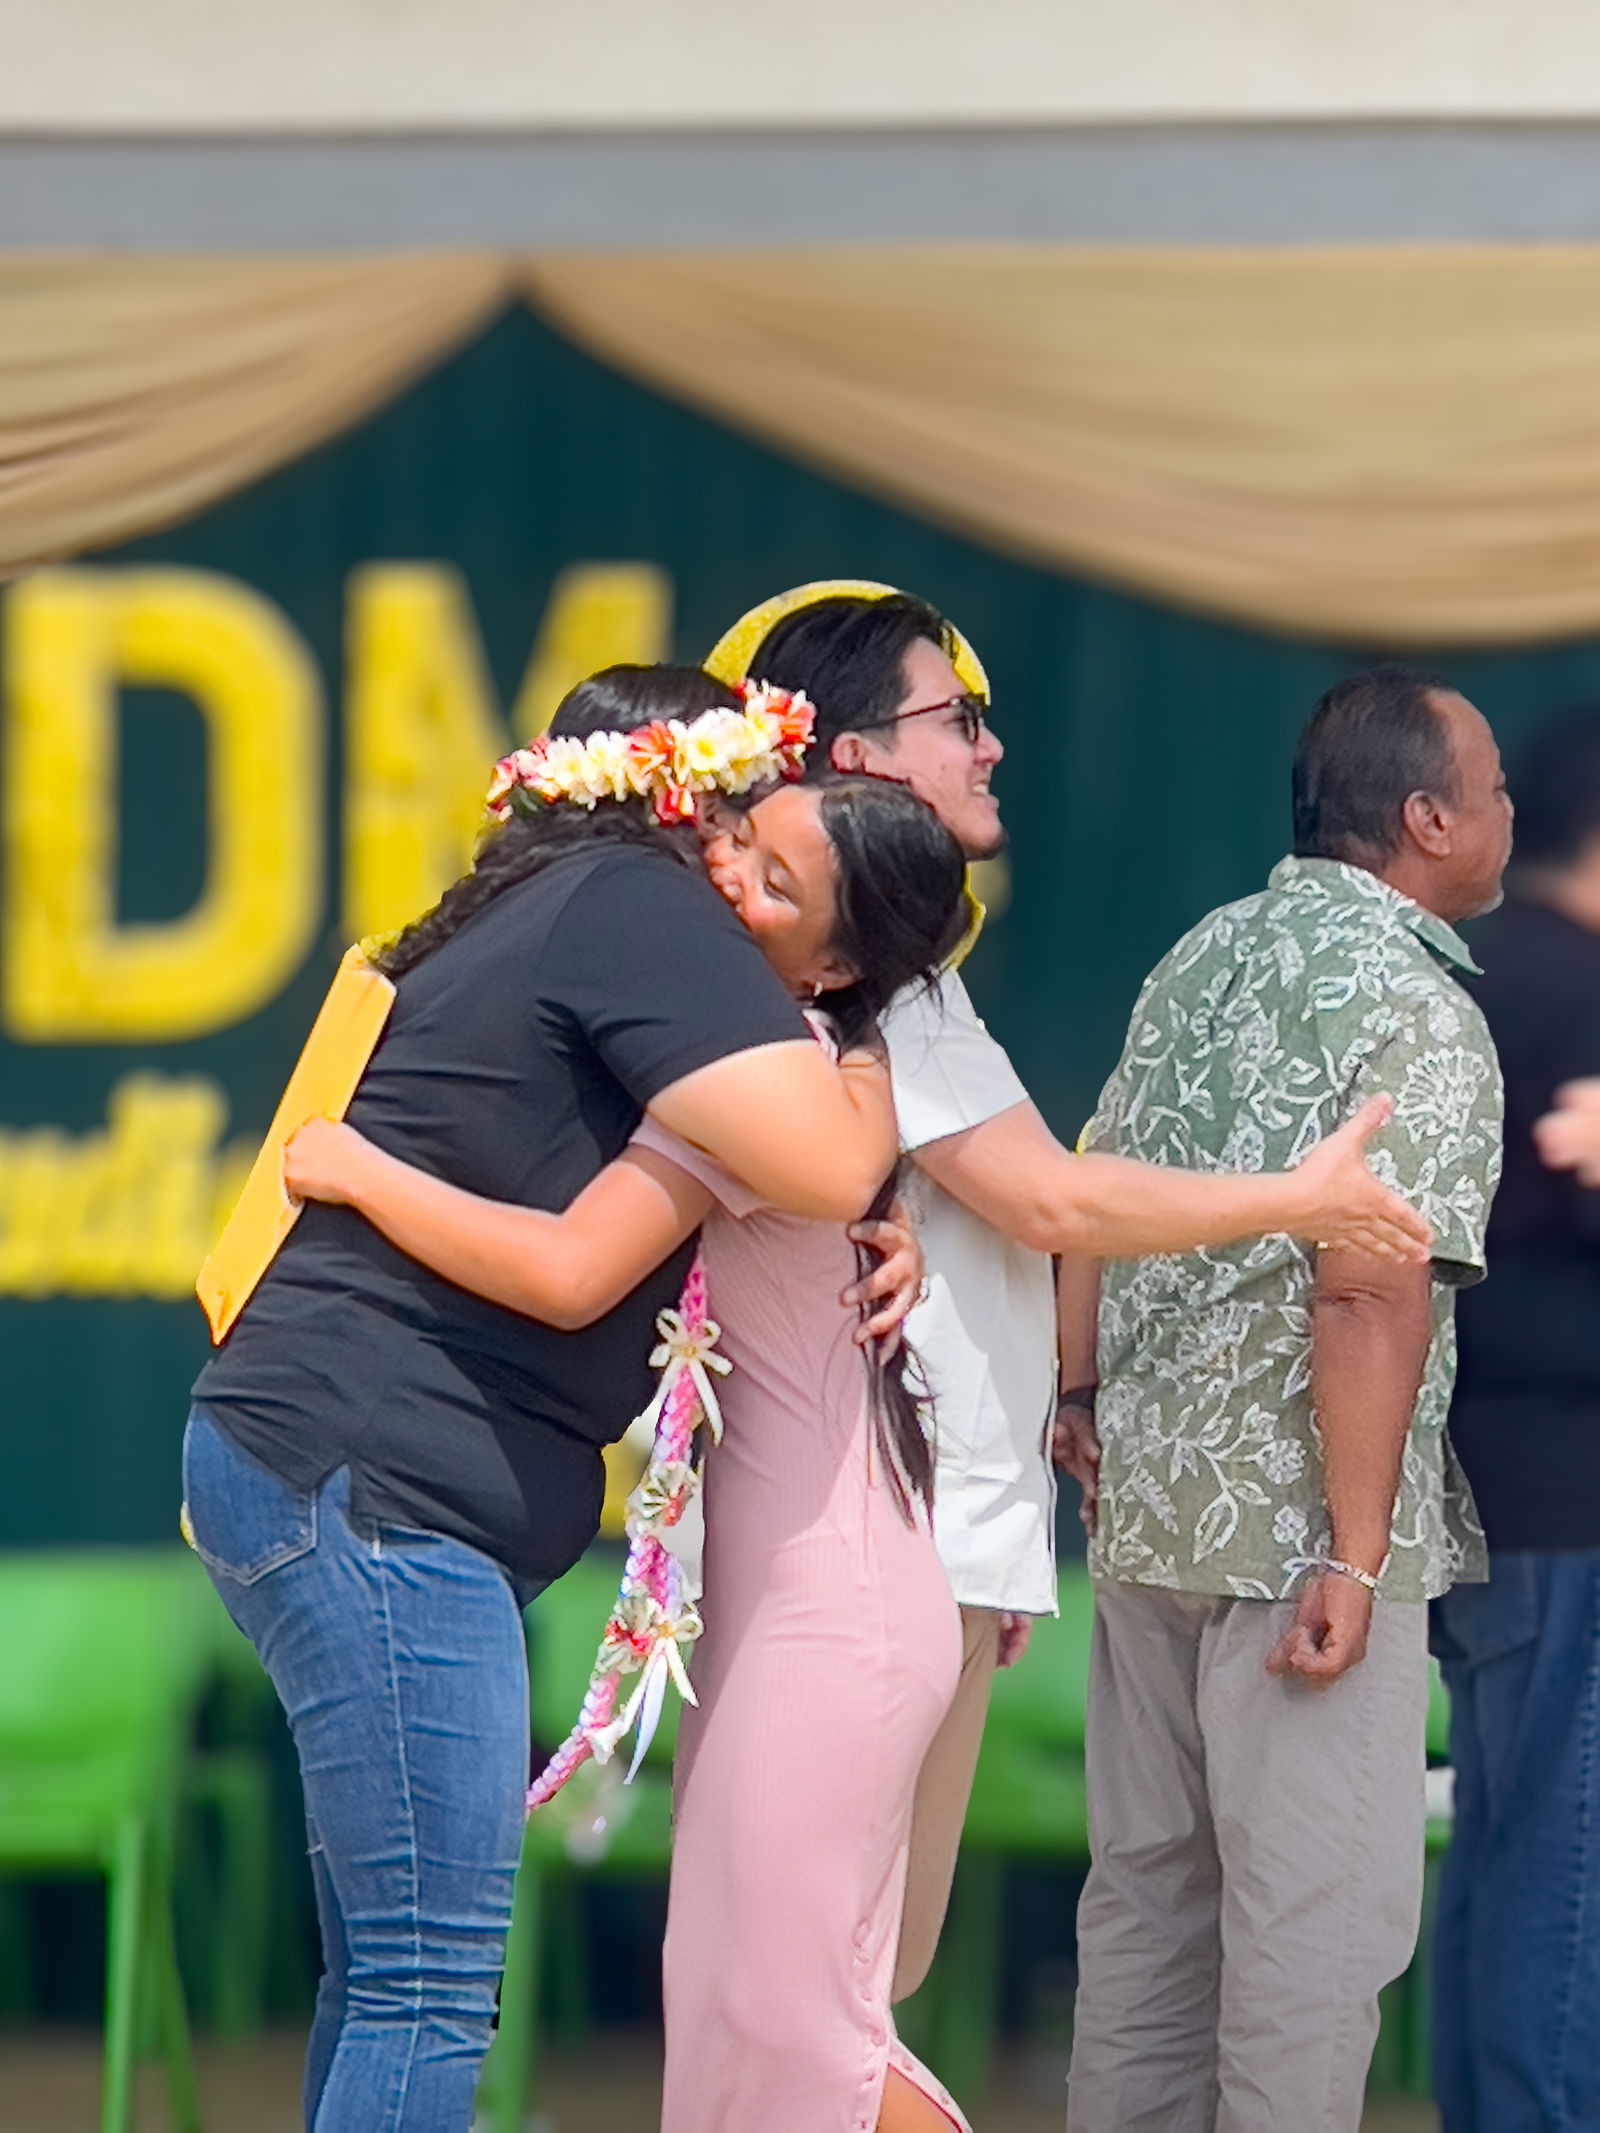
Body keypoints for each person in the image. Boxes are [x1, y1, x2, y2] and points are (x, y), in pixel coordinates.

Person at [283, 692, 1423, 2133]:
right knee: (741, 2017)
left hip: (834, 1597)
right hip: (781, 1587)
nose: (720, 875)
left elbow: (578, 1267)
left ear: (835, 959)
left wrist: (364, 1171)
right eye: (737, 841)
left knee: (793, 2028)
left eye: (769, 877)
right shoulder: (780, 1067)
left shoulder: (780, 1088)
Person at [181, 665, 921, 2133]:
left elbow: (731, 1199)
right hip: (382, 1491)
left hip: (330, 1471)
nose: (734, 863)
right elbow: (816, 1167)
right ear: (685, 789)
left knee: (383, 1978)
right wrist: (881, 1053)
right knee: (428, 1989)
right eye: (736, 826)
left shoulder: (559, 901)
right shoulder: (633, 903)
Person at [704, 583, 1437, 2001]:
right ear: (850, 758)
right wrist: (1306, 1198)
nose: (989, 749)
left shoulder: (877, 975)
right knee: (843, 1999)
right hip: (883, 1538)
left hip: (922, 1534)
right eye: (954, 720)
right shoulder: (866, 981)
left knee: (847, 1986)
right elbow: (1055, 1197)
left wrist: (1039, 1448)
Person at [1054, 664, 1509, 2133]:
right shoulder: (1420, 1007)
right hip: (1302, 1546)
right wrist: (1358, 1548)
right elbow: (1369, 1283)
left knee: (1147, 1913)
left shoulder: (1204, 951)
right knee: (1311, 1936)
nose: (1511, 810)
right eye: (1492, 787)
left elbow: (1085, 1185)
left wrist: (1078, 1388)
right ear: (1430, 818)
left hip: (1149, 1514)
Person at [1432, 707, 1600, 2133]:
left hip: (1475, 1479)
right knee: (1567, 1854)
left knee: (1501, 1841)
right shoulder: (1582, 986)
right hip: (1568, 1493)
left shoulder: (1473, 976)